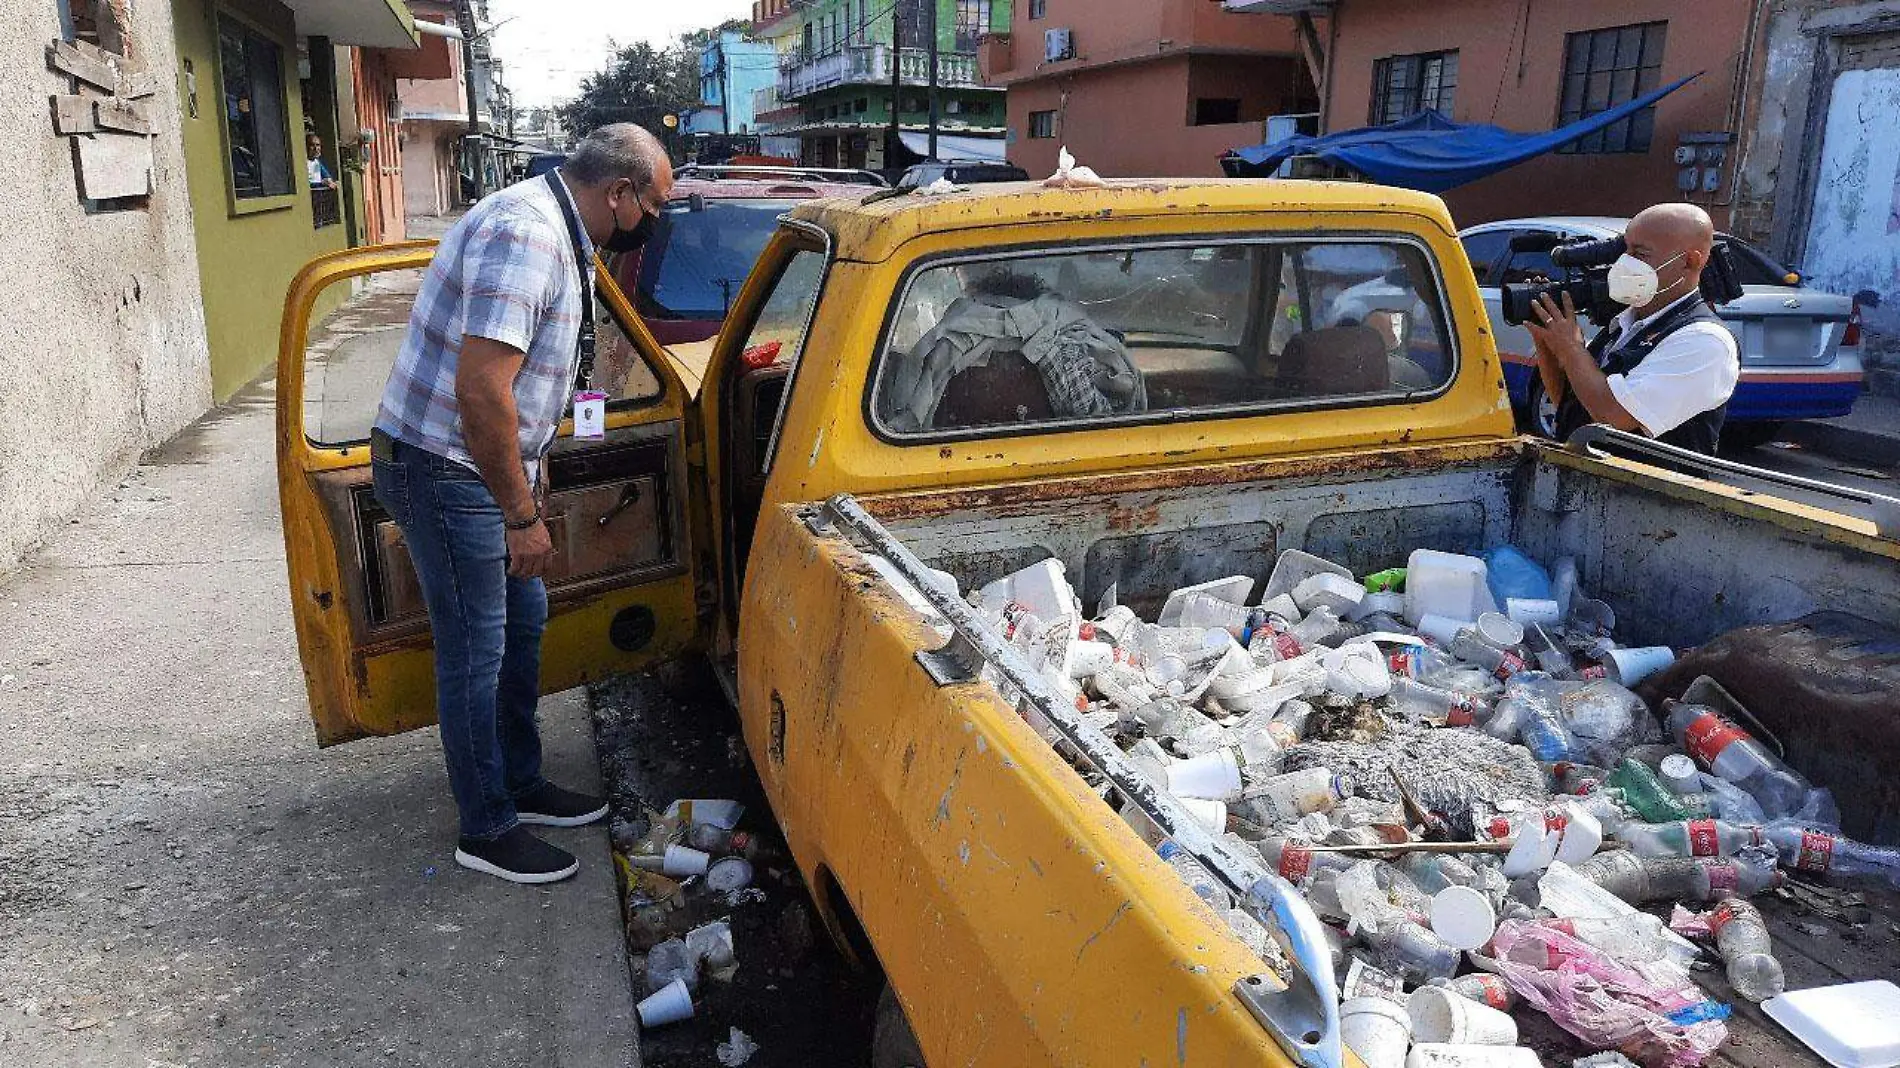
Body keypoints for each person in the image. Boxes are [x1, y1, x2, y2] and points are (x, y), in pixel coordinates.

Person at [369, 124, 674, 883]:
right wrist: (521, 515)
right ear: (620, 193)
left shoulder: (558, 230)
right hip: (446, 469)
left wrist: (530, 474)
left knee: (523, 628)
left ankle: (521, 781)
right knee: (477, 651)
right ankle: (487, 825)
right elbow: (481, 389)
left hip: (477, 465)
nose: (654, 224)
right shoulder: (527, 236)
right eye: (655, 207)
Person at [1523, 202, 1739, 455]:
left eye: (1641, 254)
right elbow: (1571, 402)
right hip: (1587, 488)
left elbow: (1613, 416)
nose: (1625, 262)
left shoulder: (1705, 340)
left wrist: (1572, 349)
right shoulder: (1625, 324)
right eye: (1625, 250)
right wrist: (1547, 340)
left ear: (1689, 261)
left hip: (1647, 493)